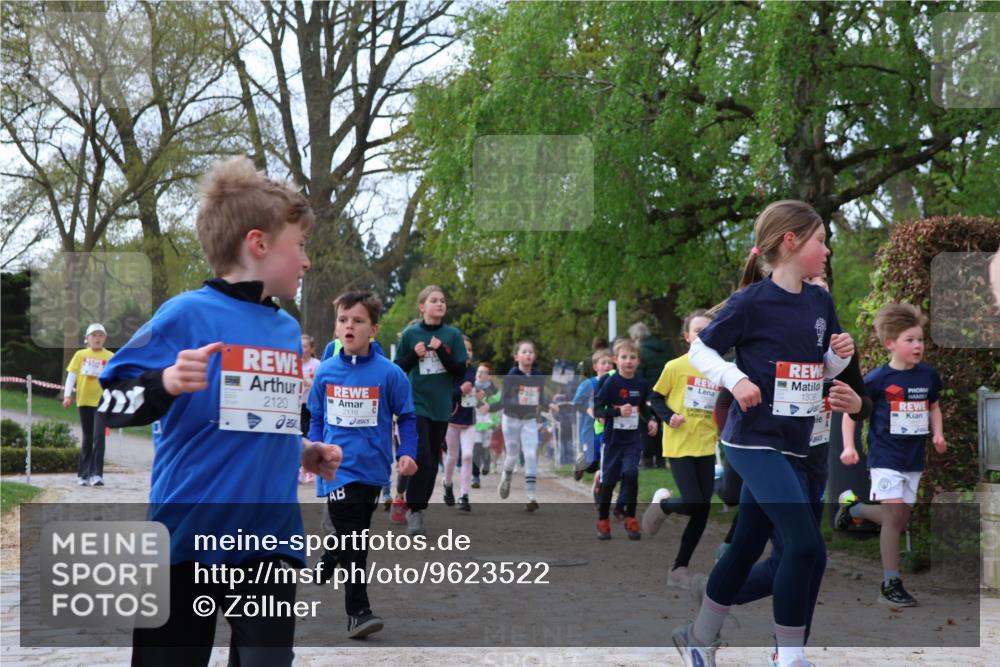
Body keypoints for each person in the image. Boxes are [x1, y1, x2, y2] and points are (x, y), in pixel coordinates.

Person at [98, 156, 342, 667]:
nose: (306, 261)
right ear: (258, 244)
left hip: (270, 541)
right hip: (185, 539)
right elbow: (108, 402)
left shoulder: (283, 330)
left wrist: (302, 450)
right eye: (299, 246)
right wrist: (164, 382)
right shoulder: (186, 315)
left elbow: (254, 420)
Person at [672, 200, 855, 667]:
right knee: (804, 544)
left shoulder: (820, 301)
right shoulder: (750, 302)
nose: (827, 249)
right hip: (753, 442)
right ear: (791, 243)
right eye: (820, 240)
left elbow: (820, 368)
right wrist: (736, 379)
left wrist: (839, 357)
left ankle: (699, 636)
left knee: (748, 545)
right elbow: (700, 352)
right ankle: (789, 657)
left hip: (796, 445)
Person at [309, 290, 418, 638]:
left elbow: (409, 417)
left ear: (373, 329)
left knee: (354, 531)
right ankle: (358, 611)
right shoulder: (325, 372)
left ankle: (331, 553)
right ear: (336, 327)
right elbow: (315, 417)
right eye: (343, 320)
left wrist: (408, 452)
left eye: (358, 320)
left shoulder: (390, 374)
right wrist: (314, 450)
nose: (349, 326)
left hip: (373, 469)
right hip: (336, 469)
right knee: (355, 538)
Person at [839, 303, 945, 607]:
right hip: (885, 458)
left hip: (913, 459)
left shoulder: (928, 377)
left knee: (898, 520)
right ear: (890, 344)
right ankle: (890, 582)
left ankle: (854, 510)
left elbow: (933, 406)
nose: (917, 346)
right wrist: (848, 446)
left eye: (920, 340)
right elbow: (851, 411)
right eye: (910, 340)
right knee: (895, 515)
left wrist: (938, 434)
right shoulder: (877, 379)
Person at [642, 310, 719, 587]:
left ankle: (678, 569)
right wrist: (668, 416)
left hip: (707, 444)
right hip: (680, 444)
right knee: (695, 502)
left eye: (709, 330)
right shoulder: (675, 367)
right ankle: (663, 504)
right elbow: (655, 398)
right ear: (687, 336)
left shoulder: (719, 369)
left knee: (702, 510)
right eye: (698, 330)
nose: (703, 335)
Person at [393, 286, 468, 535]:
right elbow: (397, 367)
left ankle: (417, 507)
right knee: (422, 455)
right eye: (434, 300)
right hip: (416, 404)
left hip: (441, 406)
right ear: (422, 306)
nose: (440, 304)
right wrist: (414, 356)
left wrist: (441, 351)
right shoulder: (411, 334)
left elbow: (459, 370)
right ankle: (415, 511)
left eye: (443, 300)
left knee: (431, 461)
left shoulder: (452, 335)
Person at [593, 338, 658, 540]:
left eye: (632, 357)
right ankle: (603, 521)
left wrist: (651, 420)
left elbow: (645, 408)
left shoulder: (641, 383)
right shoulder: (611, 383)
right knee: (609, 481)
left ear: (638, 362)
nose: (628, 361)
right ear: (615, 360)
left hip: (632, 440)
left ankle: (630, 518)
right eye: (624, 357)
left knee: (631, 474)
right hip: (613, 441)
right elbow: (598, 409)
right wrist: (617, 411)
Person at [489, 340, 556, 511]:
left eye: (531, 352)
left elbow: (541, 400)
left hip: (529, 419)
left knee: (531, 454)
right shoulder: (511, 376)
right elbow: (504, 400)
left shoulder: (538, 377)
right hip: (511, 419)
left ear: (534, 356)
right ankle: (507, 476)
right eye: (524, 352)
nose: (528, 354)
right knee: (511, 456)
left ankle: (531, 495)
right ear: (516, 356)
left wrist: (550, 405)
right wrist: (519, 399)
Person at [63, 322, 114, 486]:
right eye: (94, 335)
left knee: (99, 436)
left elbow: (115, 378)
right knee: (87, 437)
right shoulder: (80, 355)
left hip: (102, 401)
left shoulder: (110, 357)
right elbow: (71, 376)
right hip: (84, 400)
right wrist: (67, 395)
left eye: (100, 335)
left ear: (105, 338)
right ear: (87, 339)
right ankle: (83, 474)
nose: (97, 339)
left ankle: (96, 474)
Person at [443, 336, 477, 511]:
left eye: (470, 350)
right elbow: (446, 395)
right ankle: (447, 484)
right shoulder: (449, 372)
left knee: (468, 456)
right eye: (464, 350)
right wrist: (460, 391)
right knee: (452, 456)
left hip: (469, 421)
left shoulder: (474, 371)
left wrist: (481, 396)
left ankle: (464, 495)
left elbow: (481, 390)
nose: (468, 353)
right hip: (452, 420)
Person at [630, 321, 671, 467]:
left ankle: (647, 459)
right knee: (660, 426)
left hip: (648, 395)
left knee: (646, 425)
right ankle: (661, 458)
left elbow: (640, 377)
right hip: (664, 393)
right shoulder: (662, 348)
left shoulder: (641, 352)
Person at [572, 348, 615, 481]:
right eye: (603, 363)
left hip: (606, 427)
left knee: (605, 457)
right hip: (589, 428)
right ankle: (581, 463)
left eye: (609, 363)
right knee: (591, 462)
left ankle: (601, 482)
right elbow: (577, 402)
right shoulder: (589, 384)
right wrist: (589, 410)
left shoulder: (614, 383)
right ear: (595, 366)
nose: (607, 366)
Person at [471, 361, 499, 487]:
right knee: (476, 448)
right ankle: (475, 477)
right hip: (475, 421)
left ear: (489, 376)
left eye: (483, 372)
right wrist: (478, 402)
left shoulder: (493, 390)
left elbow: (500, 403)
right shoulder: (471, 386)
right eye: (478, 371)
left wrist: (490, 406)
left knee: (485, 447)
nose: (480, 374)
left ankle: (487, 462)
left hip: (488, 421)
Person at [299, 334, 321, 483]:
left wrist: (310, 383)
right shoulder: (294, 363)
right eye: (300, 346)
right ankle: (301, 468)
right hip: (297, 403)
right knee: (299, 435)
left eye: (305, 346)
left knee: (310, 434)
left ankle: (311, 469)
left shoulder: (317, 364)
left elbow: (319, 385)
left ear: (312, 348)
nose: (302, 349)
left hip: (311, 404)